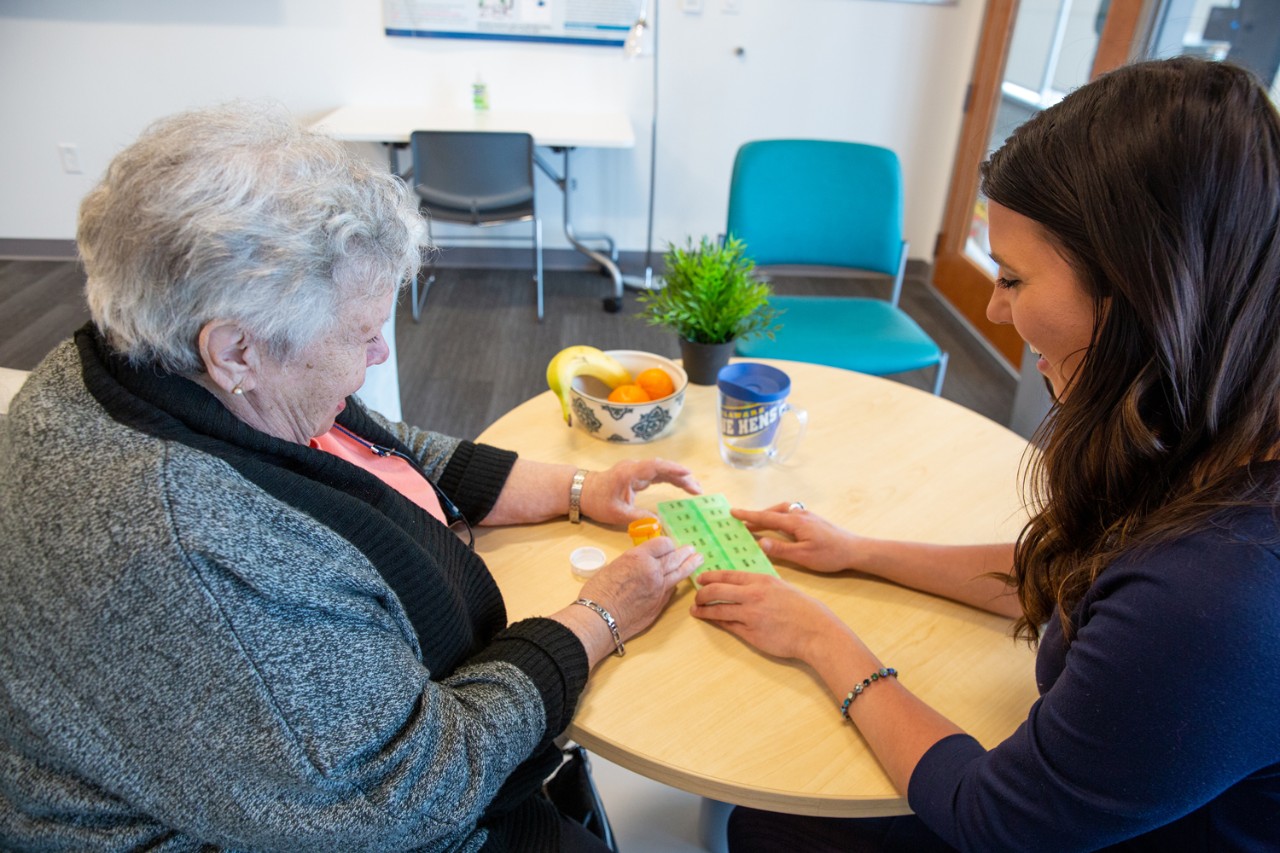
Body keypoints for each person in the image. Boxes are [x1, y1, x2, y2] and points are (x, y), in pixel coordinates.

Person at [0, 102, 705, 852]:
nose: (377, 357)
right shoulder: (199, 548)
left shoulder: (146, 359)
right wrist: (598, 617)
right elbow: (405, 793)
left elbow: (365, 440)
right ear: (236, 349)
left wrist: (575, 489)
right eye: (362, 333)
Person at [690, 57, 1280, 852]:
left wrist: (823, 638)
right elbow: (1084, 571)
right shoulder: (1220, 431)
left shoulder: (1217, 590)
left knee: (774, 827)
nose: (997, 309)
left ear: (1142, 289)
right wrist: (859, 550)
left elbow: (992, 817)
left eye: (1012, 277)